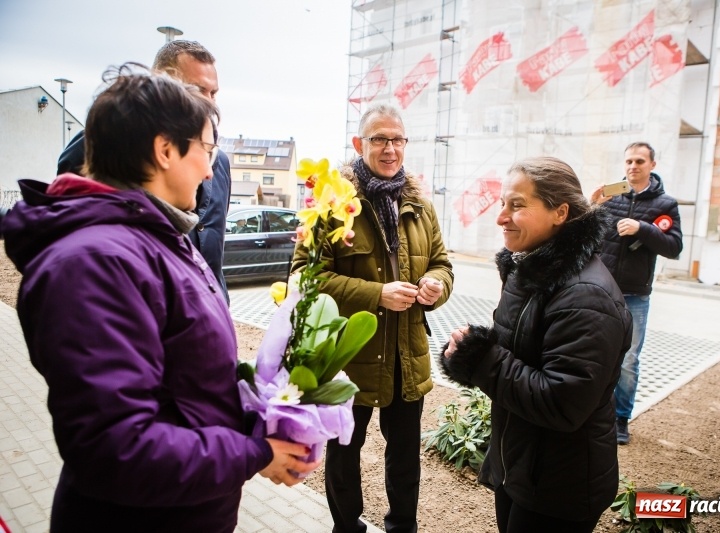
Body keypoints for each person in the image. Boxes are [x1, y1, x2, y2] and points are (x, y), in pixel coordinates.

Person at [2, 64, 318, 533]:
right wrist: (254, 453)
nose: (212, 169)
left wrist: (261, 414)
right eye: (207, 149)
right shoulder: (95, 261)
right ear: (165, 150)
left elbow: (186, 379)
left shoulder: (156, 238)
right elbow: (117, 449)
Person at [441, 157, 632, 533]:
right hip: (522, 469)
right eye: (502, 204)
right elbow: (518, 357)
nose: (501, 218)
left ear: (559, 212)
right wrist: (471, 352)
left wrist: (481, 359)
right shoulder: (529, 269)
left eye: (517, 205)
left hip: (560, 490)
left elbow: (563, 401)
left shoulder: (586, 295)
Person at [292, 103, 454, 533]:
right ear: (359, 143)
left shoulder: (419, 202)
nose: (390, 149)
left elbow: (442, 263)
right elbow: (303, 280)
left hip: (407, 357)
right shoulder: (331, 201)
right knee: (344, 453)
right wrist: (376, 295)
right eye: (380, 139)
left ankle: (403, 527)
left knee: (404, 457)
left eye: (398, 139)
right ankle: (347, 528)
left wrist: (436, 285)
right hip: (350, 357)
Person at [57, 40, 232, 302]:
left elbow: (213, 244)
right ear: (160, 84)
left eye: (213, 93)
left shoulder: (220, 164)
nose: (209, 104)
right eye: (197, 90)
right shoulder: (104, 141)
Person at [591, 142, 683, 445]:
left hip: (635, 295)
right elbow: (586, 232)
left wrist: (643, 228)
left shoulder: (666, 204)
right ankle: (594, 410)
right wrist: (592, 206)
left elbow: (674, 248)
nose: (633, 166)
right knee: (594, 352)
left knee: (628, 360)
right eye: (629, 160)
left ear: (652, 165)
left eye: (640, 161)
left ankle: (620, 419)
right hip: (601, 290)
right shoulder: (611, 195)